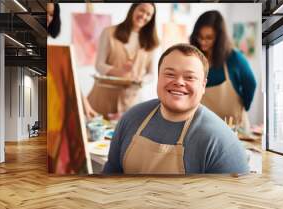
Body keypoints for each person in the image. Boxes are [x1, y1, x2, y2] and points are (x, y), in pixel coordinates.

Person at [103, 44, 249, 174]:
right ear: (158, 78)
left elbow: (234, 201)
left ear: (203, 85)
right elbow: (110, 176)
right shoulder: (131, 118)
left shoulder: (221, 141)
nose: (179, 82)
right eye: (170, 74)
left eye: (189, 77)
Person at [88, 3, 159, 119]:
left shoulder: (152, 42)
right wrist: (118, 72)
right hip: (102, 97)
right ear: (133, 9)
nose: (144, 16)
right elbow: (99, 65)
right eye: (142, 10)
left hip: (130, 101)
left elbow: (151, 74)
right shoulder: (109, 32)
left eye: (149, 14)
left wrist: (141, 79)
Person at [189, 10, 257, 132]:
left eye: (209, 38)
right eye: (200, 37)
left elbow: (251, 84)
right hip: (204, 127)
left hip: (234, 127)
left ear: (219, 38)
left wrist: (243, 107)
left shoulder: (234, 57)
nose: (203, 42)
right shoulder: (194, 58)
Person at [47, 2, 98, 119]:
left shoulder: (56, 43)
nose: (48, 18)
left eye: (51, 15)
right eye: (46, 13)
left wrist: (86, 105)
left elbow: (70, 75)